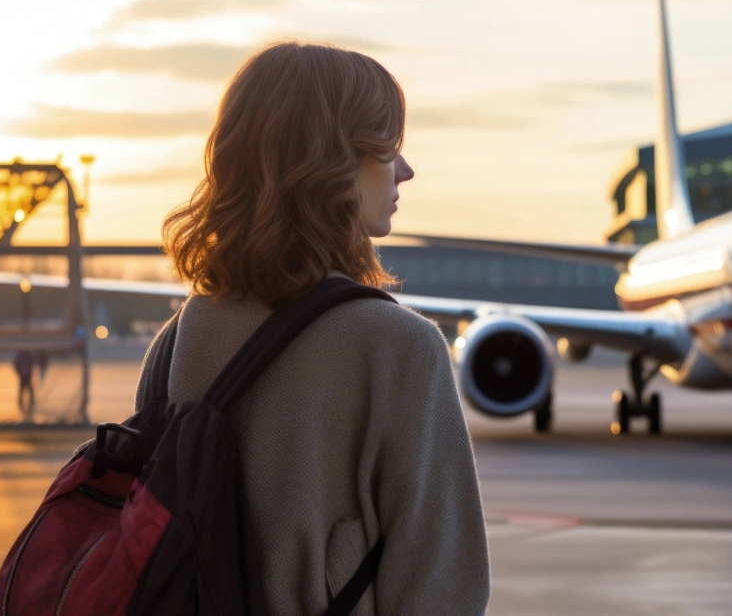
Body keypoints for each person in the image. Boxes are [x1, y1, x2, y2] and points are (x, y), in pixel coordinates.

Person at [138, 41, 489, 613]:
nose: (405, 170)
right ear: (333, 163)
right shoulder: (399, 349)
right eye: (388, 148)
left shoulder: (176, 342)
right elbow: (441, 591)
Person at [13, 350, 35, 416]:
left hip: (26, 375)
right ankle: (22, 404)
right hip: (23, 375)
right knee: (23, 390)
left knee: (28, 390)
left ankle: (29, 403)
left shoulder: (27, 355)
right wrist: (20, 373)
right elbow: (17, 365)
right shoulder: (22, 356)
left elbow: (31, 364)